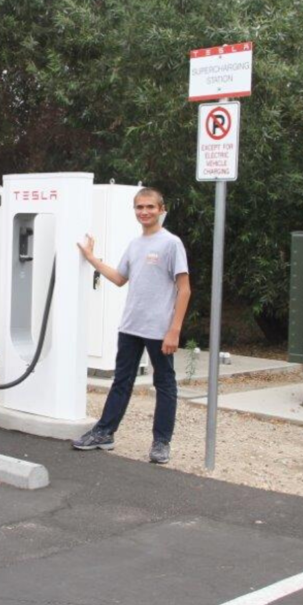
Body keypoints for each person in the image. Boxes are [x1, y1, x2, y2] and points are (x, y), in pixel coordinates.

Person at [72, 187, 190, 464]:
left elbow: (184, 290)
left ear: (162, 209)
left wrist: (174, 330)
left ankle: (161, 443)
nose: (144, 212)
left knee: (164, 384)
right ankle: (104, 432)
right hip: (130, 326)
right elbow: (119, 278)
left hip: (159, 329)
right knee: (121, 381)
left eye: (150, 207)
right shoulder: (135, 245)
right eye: (139, 207)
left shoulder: (171, 244)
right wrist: (91, 258)